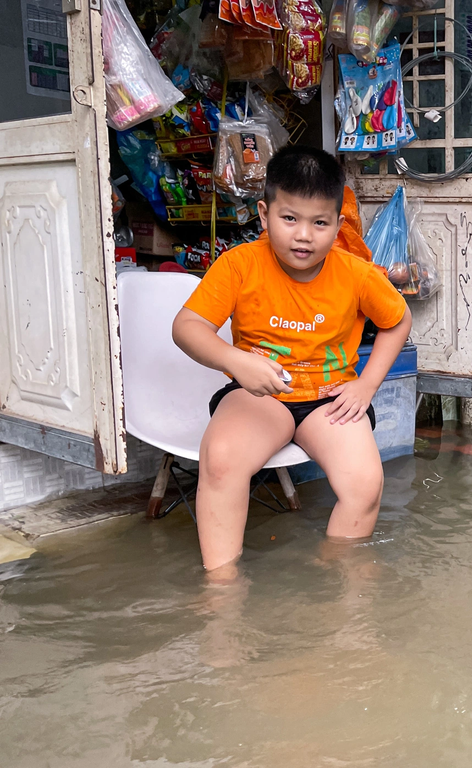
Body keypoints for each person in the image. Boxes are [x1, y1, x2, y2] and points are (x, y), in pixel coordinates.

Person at [173, 145, 411, 573]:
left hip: (330, 398)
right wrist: (235, 361)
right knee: (221, 460)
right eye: (289, 219)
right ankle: (221, 588)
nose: (303, 235)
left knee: (366, 484)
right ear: (264, 214)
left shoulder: (356, 273)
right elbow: (186, 327)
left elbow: (398, 319)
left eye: (319, 223)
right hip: (258, 394)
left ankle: (333, 577)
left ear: (338, 225)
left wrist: (367, 383)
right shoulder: (239, 264)